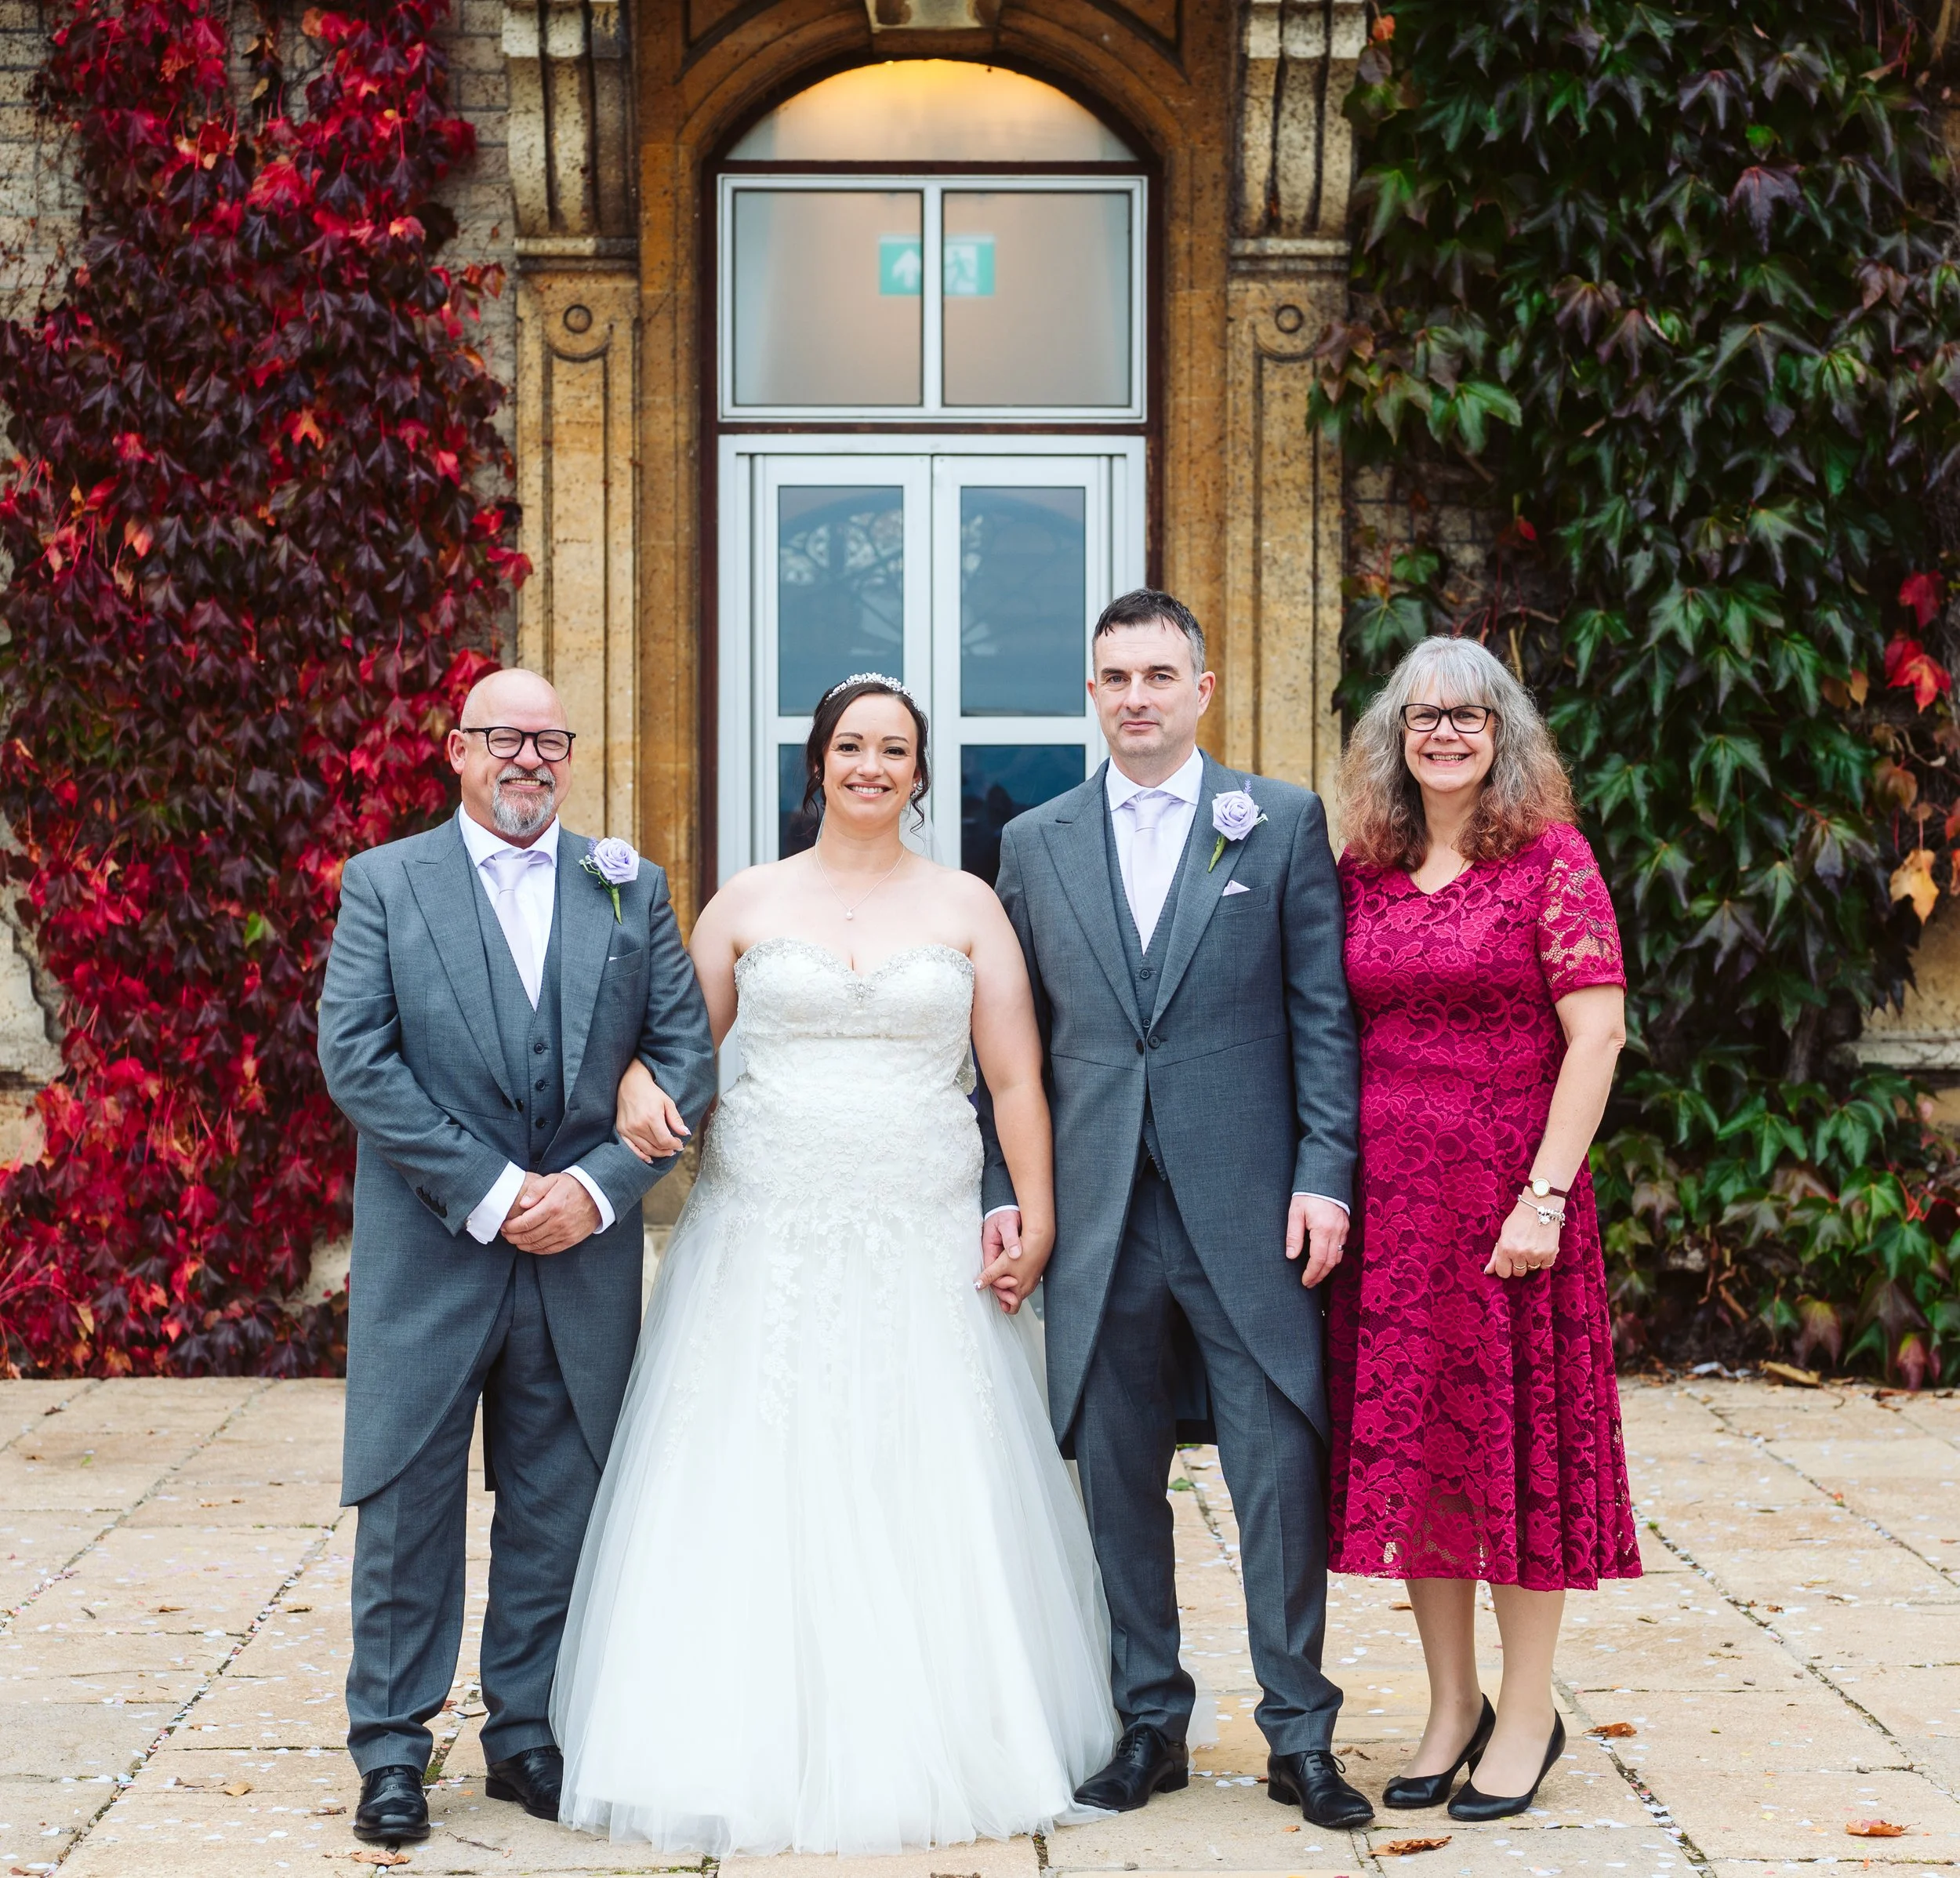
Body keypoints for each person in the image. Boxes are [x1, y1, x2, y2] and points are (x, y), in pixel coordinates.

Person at [550, 676, 1116, 1855]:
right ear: (817, 765)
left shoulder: (967, 904)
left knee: (921, 1461)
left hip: (923, 1228)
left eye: (894, 750)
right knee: (759, 1457)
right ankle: (722, 1735)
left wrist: (1041, 1216)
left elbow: (1015, 1079)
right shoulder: (747, 901)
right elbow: (670, 1047)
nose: (871, 765)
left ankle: (954, 1726)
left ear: (921, 773)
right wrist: (642, 1090)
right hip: (766, 1230)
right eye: (850, 746)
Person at [978, 589, 1372, 1831]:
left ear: (1202, 689)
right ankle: (1147, 1718)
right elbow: (1009, 1050)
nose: (1137, 696)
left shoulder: (1284, 823)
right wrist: (1006, 1194)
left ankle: (1298, 1729)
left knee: (1275, 1468)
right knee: (1115, 1477)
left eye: (1159, 674)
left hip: (1250, 1204)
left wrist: (1326, 1172)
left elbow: (1325, 1016)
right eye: (1115, 677)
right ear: (1090, 695)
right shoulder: (1032, 842)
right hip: (1095, 1210)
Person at [317, 668, 717, 1847]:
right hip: (435, 1251)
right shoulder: (385, 884)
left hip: (578, 1260)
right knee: (407, 1505)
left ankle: (526, 1734)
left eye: (550, 739)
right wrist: (495, 1192)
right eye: (505, 737)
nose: (529, 758)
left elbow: (685, 1058)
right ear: (457, 749)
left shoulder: (629, 889)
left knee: (559, 1500)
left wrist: (595, 1191)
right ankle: (392, 1748)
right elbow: (358, 1059)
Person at [1326, 634, 1638, 1823]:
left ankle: (1524, 1709)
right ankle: (1448, 1703)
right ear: (1393, 738)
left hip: (1514, 1203)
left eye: (1468, 716)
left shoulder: (1549, 861)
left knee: (1512, 1460)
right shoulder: (1366, 862)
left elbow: (1598, 1035)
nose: (1444, 733)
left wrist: (1547, 1195)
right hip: (1397, 1210)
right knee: (1421, 1466)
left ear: (1503, 734)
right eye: (1422, 717)